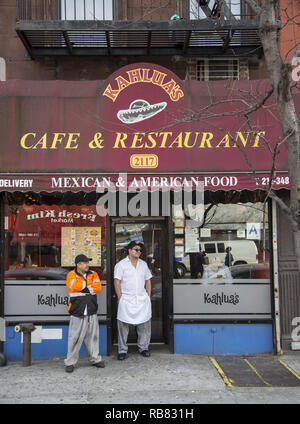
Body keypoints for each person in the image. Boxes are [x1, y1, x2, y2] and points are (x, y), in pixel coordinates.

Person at [64, 254, 105, 373]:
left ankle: (95, 359)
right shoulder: (71, 275)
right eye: (85, 263)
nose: (88, 265)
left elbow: (98, 287)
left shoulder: (94, 274)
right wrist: (88, 286)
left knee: (93, 337)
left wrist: (84, 287)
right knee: (74, 338)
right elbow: (73, 286)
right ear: (78, 264)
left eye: (88, 262)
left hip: (91, 309)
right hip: (77, 310)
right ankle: (70, 362)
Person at [114, 241, 152, 360]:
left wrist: (148, 296)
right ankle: (122, 350)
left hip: (141, 299)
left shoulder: (143, 264)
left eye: (140, 250)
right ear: (129, 250)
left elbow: (148, 280)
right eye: (136, 249)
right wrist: (120, 298)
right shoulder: (121, 265)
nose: (138, 252)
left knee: (144, 325)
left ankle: (144, 347)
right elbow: (117, 281)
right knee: (123, 326)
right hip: (126, 299)